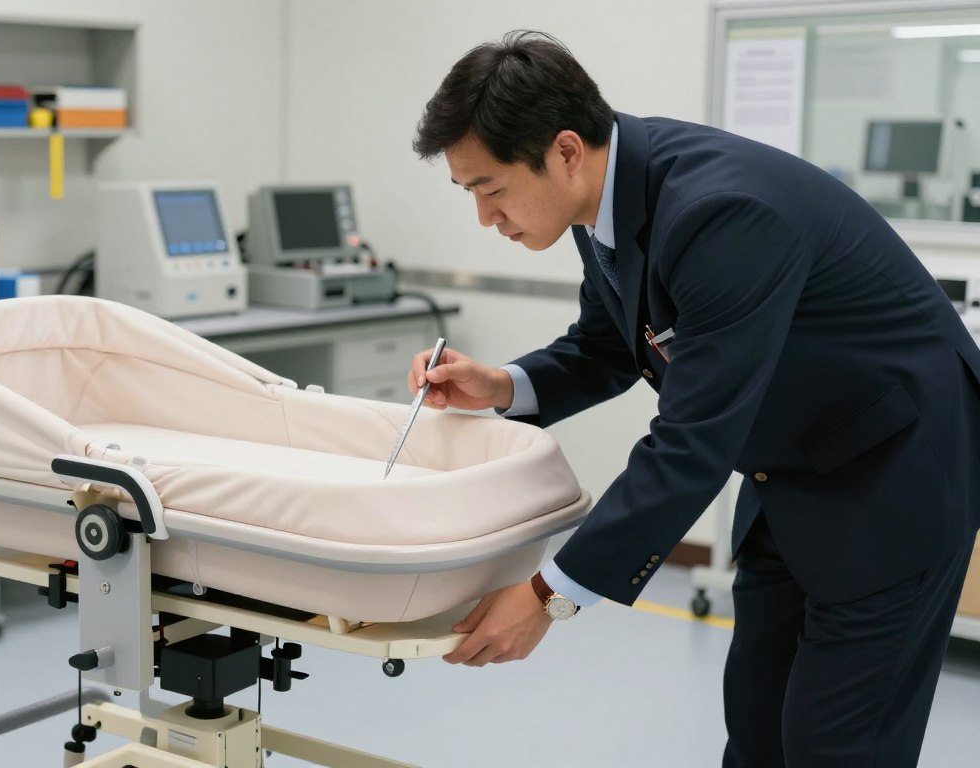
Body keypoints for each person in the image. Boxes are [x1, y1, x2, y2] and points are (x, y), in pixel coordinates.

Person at [408, 30, 980, 767]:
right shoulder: (605, 205)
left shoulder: (719, 214)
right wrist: (504, 385)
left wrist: (550, 593)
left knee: (837, 745)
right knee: (758, 726)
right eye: (469, 193)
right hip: (796, 472)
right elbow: (611, 344)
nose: (486, 218)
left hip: (898, 474)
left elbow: (690, 444)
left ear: (566, 150)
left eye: (490, 188)